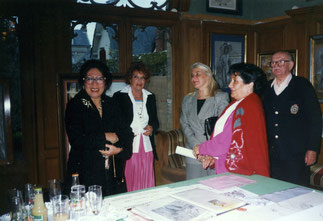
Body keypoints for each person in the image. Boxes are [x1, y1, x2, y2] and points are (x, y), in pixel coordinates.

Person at [64, 59, 133, 196]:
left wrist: (119, 150)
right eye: (90, 79)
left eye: (99, 79)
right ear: (83, 81)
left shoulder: (112, 104)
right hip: (86, 172)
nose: (94, 83)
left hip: (112, 174)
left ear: (105, 81)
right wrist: (105, 137)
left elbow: (126, 132)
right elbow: (76, 139)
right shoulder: (75, 105)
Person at [193, 63, 270, 177]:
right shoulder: (238, 103)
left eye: (235, 81)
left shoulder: (249, 105)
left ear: (250, 85)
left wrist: (202, 148)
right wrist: (214, 158)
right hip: (230, 169)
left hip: (242, 173)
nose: (229, 85)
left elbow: (226, 140)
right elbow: (232, 143)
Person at [263, 51, 322, 186]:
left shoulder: (302, 85)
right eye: (273, 62)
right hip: (271, 153)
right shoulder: (266, 88)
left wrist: (312, 148)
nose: (276, 65)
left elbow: (315, 119)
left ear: (291, 65)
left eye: (281, 61)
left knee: (295, 191)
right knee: (272, 188)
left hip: (296, 153)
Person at [113, 61, 159, 192]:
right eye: (136, 77)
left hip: (146, 146)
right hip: (129, 146)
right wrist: (125, 133)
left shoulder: (150, 97)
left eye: (142, 77)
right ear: (130, 79)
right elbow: (116, 122)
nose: (139, 81)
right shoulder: (119, 96)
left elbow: (155, 121)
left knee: (146, 180)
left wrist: (152, 128)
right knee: (129, 179)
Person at [180, 62, 229, 180]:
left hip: (213, 153)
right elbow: (184, 124)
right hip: (193, 152)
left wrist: (206, 149)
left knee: (214, 190)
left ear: (208, 75)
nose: (193, 78)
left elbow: (222, 128)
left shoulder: (220, 97)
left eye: (197, 74)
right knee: (194, 189)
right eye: (192, 75)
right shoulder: (187, 99)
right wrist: (197, 147)